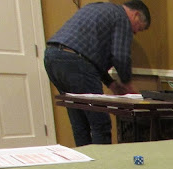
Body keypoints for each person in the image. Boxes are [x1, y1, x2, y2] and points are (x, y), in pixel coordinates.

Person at [44, 1, 151, 147]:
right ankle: (102, 161)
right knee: (100, 122)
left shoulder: (98, 8)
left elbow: (90, 58)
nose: (135, 33)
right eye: (139, 28)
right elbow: (120, 56)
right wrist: (128, 84)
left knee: (80, 119)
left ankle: (85, 160)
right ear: (136, 15)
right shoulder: (122, 18)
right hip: (75, 62)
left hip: (52, 57)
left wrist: (111, 84)